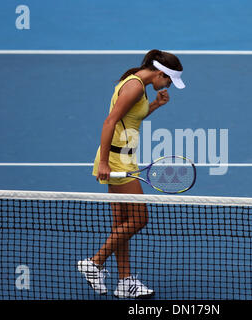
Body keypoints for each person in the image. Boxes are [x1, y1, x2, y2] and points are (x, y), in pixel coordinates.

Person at [78, 49, 185, 298]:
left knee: (121, 223)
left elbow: (131, 118)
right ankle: (94, 263)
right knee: (139, 220)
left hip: (124, 158)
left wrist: (155, 106)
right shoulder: (135, 86)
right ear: (160, 73)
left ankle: (125, 281)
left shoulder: (139, 82)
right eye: (168, 79)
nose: (167, 84)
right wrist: (104, 162)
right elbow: (110, 121)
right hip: (116, 161)